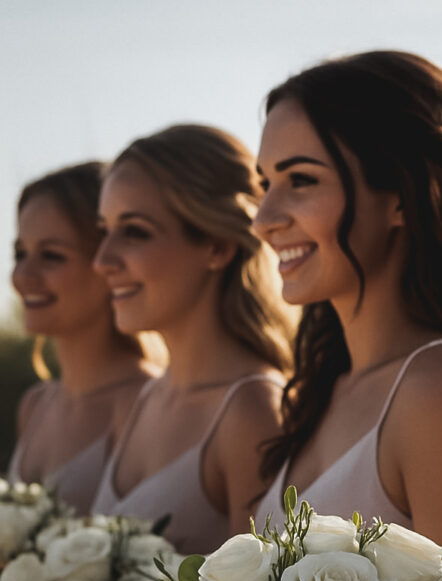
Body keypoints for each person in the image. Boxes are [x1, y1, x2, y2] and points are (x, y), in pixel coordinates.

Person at [251, 51, 442, 576]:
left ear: (401, 194)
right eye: (265, 183)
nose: (264, 219)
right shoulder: (324, 390)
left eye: (301, 181)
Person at [91, 125, 296, 554]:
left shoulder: (252, 410)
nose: (102, 261)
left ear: (217, 247)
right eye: (103, 230)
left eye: (134, 232)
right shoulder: (149, 396)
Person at [9, 162, 159, 516]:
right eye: (19, 254)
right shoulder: (34, 405)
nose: (22, 276)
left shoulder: (146, 402)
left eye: (51, 256)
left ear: (109, 261)